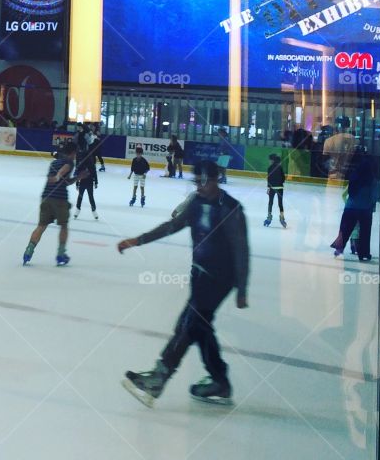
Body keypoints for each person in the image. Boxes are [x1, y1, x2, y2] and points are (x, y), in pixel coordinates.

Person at [118, 160, 250, 407]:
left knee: (190, 324)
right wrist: (138, 240)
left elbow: (241, 250)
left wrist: (242, 289)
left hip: (220, 278)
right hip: (199, 275)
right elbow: (172, 226)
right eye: (196, 181)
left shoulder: (231, 209)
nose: (199, 186)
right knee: (199, 327)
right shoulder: (196, 203)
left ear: (215, 180)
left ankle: (159, 377)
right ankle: (220, 380)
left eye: (203, 181)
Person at [22, 140, 85, 267]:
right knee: (64, 226)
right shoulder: (69, 162)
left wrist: (78, 178)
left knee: (41, 226)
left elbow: (66, 181)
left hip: (46, 197)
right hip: (60, 199)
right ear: (73, 153)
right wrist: (58, 176)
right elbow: (64, 170)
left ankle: (28, 252)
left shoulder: (54, 162)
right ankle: (61, 254)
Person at [330, 149, 379, 262]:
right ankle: (363, 253)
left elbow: (348, 192)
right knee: (365, 232)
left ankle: (339, 248)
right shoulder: (373, 180)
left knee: (345, 229)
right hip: (365, 209)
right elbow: (375, 196)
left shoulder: (354, 177)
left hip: (350, 207)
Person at [74, 145, 99, 221]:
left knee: (89, 197)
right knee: (82, 197)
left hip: (89, 182)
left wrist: (96, 182)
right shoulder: (82, 164)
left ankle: (93, 211)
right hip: (84, 182)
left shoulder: (91, 165)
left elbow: (94, 173)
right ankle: (78, 210)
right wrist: (77, 183)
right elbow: (78, 174)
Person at [265, 153, 286, 228]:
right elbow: (283, 177)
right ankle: (282, 217)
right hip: (280, 188)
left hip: (272, 188)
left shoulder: (269, 168)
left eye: (269, 160)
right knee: (280, 203)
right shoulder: (280, 168)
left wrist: (268, 188)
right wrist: (281, 183)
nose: (269, 161)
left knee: (270, 202)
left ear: (272, 160)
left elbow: (269, 178)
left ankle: (269, 216)